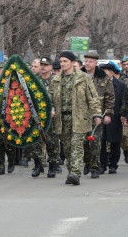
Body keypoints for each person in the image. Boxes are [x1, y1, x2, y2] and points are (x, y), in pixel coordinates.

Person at [49, 51, 103, 185]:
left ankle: (76, 173)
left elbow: (93, 98)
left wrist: (96, 113)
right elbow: (49, 97)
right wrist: (51, 108)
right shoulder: (56, 80)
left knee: (77, 145)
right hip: (63, 119)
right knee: (67, 148)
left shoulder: (83, 78)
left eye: (65, 61)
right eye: (61, 61)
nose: (62, 64)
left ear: (73, 63)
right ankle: (71, 172)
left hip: (79, 117)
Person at [81, 52, 114, 178]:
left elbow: (110, 97)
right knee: (83, 141)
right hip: (82, 114)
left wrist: (108, 114)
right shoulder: (79, 76)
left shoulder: (103, 77)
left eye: (90, 61)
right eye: (86, 61)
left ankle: (95, 167)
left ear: (95, 63)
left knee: (95, 142)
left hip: (98, 115)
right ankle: (87, 161)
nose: (87, 64)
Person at [98, 62, 125, 174]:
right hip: (101, 115)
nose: (103, 74)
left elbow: (124, 101)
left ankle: (113, 164)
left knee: (115, 141)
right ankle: (102, 164)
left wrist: (122, 114)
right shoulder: (98, 84)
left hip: (115, 116)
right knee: (101, 141)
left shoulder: (121, 85)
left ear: (112, 73)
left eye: (105, 72)